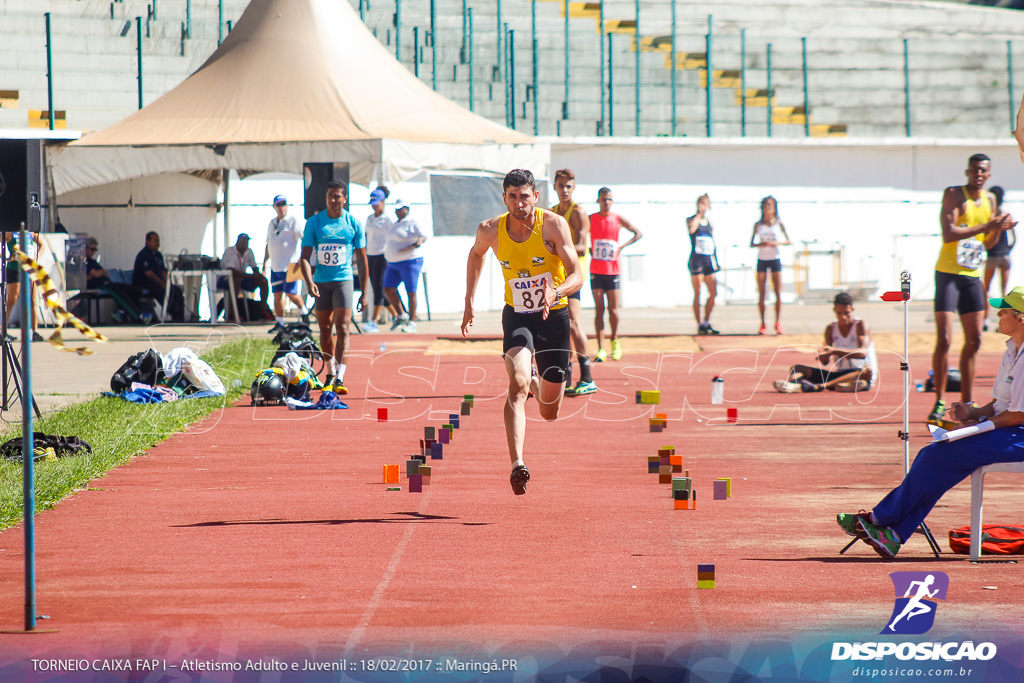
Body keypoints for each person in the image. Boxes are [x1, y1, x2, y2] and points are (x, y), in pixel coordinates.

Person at [836, 286, 1024, 559]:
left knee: (935, 456)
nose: (998, 315)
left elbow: (1018, 415)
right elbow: (1000, 406)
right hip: (1006, 430)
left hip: (1017, 435)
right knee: (934, 457)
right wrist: (970, 415)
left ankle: (880, 521)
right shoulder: (1011, 351)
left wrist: (978, 427)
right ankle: (892, 534)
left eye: (1004, 311)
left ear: (1021, 317)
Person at [461, 168, 584, 495]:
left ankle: (536, 383)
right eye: (512, 197)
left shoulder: (554, 225)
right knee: (515, 383)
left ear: (536, 197)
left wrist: (556, 292)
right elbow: (476, 255)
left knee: (549, 412)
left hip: (553, 317)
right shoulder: (490, 229)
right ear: (504, 198)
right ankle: (518, 464)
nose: (518, 203)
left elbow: (577, 274)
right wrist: (469, 300)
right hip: (516, 316)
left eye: (524, 196)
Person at [928, 154, 1016, 425]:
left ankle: (967, 401)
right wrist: (987, 225)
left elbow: (987, 244)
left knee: (975, 340)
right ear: (968, 171)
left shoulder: (989, 200)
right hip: (948, 275)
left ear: (989, 175)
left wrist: (998, 228)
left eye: (983, 171)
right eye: (975, 169)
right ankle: (939, 400)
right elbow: (949, 233)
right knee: (944, 338)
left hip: (971, 275)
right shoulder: (954, 194)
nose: (979, 174)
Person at [299, 180, 368, 395]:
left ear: (345, 198)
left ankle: (340, 377)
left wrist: (365, 292)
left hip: (343, 280)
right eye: (330, 195)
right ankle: (329, 373)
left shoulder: (353, 223)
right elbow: (304, 258)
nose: (333, 199)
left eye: (337, 195)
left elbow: (363, 259)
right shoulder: (314, 223)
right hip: (321, 282)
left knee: (343, 327)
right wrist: (309, 282)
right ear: (326, 198)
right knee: (325, 329)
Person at [772, 292, 877, 393]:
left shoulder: (860, 325)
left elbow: (862, 353)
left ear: (852, 309)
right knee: (796, 368)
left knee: (867, 370)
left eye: (847, 313)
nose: (843, 317)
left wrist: (834, 351)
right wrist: (823, 355)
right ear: (834, 311)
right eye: (839, 313)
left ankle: (819, 387)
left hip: (859, 373)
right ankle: (798, 386)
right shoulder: (831, 328)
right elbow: (825, 362)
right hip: (839, 375)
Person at [552, 169, 596, 396]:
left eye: (568, 186)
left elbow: (582, 246)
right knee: (563, 325)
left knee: (574, 323)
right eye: (561, 185)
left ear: (574, 187)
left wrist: (557, 248)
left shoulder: (578, 212)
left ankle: (587, 376)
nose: (565, 190)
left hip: (574, 275)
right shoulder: (551, 213)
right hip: (557, 276)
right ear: (555, 187)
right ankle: (567, 377)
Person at [589, 187, 642, 361]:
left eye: (609, 199)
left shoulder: (617, 219)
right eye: (603, 199)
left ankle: (615, 340)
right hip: (596, 270)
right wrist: (587, 247)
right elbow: (578, 234)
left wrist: (622, 247)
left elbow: (638, 233)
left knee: (613, 310)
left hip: (613, 271)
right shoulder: (591, 219)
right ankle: (600, 348)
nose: (606, 202)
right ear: (598, 200)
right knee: (599, 309)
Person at [262, 195, 309, 332]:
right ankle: (280, 323)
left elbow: (303, 238)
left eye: (284, 204)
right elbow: (268, 244)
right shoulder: (272, 223)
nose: (281, 207)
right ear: (274, 207)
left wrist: (302, 257)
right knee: (277, 294)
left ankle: (304, 312)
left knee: (291, 293)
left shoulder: (293, 221)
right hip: (275, 266)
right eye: (278, 204)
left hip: (291, 264)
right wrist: (264, 262)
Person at [382, 199, 427, 333]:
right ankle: (401, 314)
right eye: (396, 209)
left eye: (400, 209)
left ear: (407, 208)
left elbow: (423, 236)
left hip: (410, 261)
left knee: (411, 291)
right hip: (393, 263)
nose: (398, 211)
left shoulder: (412, 222)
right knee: (388, 288)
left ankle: (412, 321)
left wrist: (418, 242)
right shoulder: (394, 224)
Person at [750, 196, 791, 335]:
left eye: (770, 205)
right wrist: (760, 244)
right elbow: (751, 243)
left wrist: (776, 244)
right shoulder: (758, 224)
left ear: (774, 207)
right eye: (765, 206)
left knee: (778, 292)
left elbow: (788, 240)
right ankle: (762, 323)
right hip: (762, 259)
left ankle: (778, 323)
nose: (767, 208)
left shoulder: (779, 224)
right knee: (762, 292)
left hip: (775, 258)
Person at [363, 186, 402, 332]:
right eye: (372, 203)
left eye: (377, 202)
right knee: (378, 288)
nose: (374, 206)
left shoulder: (388, 219)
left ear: (383, 202)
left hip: (384, 256)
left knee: (380, 288)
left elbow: (394, 238)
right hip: (371, 255)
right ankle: (398, 315)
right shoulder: (369, 219)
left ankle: (373, 321)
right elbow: (367, 236)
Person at [85, 237, 143, 323]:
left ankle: (129, 313)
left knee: (135, 290)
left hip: (108, 282)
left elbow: (104, 272)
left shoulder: (93, 262)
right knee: (120, 294)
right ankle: (136, 316)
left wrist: (99, 272)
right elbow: (95, 274)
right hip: (100, 286)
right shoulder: (85, 262)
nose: (93, 252)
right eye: (92, 249)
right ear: (85, 249)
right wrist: (99, 273)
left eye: (95, 249)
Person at [132, 231, 184, 322]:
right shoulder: (144, 254)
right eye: (155, 240)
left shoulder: (158, 255)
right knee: (162, 292)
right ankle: (174, 315)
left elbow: (163, 270)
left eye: (158, 240)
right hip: (145, 283)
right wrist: (161, 284)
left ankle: (180, 317)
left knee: (176, 291)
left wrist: (166, 284)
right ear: (148, 242)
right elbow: (149, 273)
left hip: (158, 283)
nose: (158, 243)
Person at [983, 186, 1015, 332]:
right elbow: (1014, 237)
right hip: (1004, 256)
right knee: (1004, 291)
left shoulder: (990, 216)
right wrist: (1008, 249)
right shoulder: (1006, 215)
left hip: (993, 255)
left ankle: (985, 320)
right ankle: (1003, 322)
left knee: (986, 289)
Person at [688, 194, 720, 335]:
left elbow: (713, 242)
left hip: (708, 260)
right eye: (700, 203)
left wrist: (716, 261)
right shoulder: (691, 220)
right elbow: (691, 230)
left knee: (713, 292)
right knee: (698, 292)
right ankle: (699, 323)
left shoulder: (710, 222)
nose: (702, 205)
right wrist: (698, 215)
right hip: (696, 260)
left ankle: (706, 321)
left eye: (705, 203)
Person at [4, 231, 42, 341]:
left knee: (32, 299)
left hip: (29, 268)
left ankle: (35, 331)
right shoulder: (10, 232)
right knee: (12, 299)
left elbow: (41, 244)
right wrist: (7, 257)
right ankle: (3, 330)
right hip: (14, 268)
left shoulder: (30, 232)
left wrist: (36, 257)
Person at [220, 233, 269, 314]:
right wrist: (250, 276)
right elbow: (231, 271)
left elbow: (254, 267)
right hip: (225, 279)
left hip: (242, 278)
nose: (245, 244)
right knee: (236, 281)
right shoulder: (230, 252)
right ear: (238, 242)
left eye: (246, 242)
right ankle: (232, 313)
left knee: (263, 281)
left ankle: (263, 310)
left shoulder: (248, 252)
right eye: (243, 242)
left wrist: (257, 275)